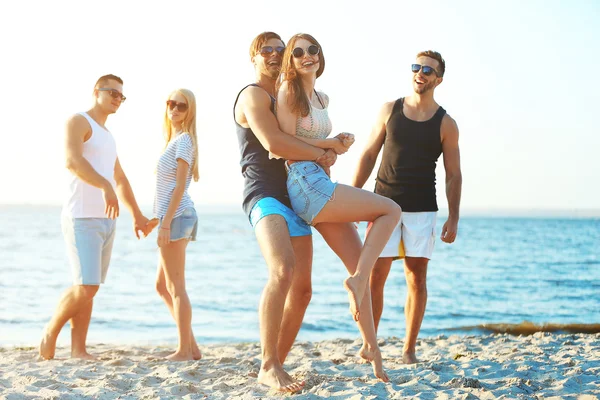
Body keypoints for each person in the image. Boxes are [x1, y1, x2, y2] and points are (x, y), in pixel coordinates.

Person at [275, 33, 402, 381]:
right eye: (297, 52)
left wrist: (333, 148)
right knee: (390, 210)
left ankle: (372, 353)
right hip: (304, 182)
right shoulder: (288, 90)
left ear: (320, 54)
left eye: (311, 49)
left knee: (357, 262)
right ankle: (360, 281)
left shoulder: (321, 96)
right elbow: (286, 145)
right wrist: (329, 145)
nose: (306, 56)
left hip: (319, 179)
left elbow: (312, 141)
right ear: (290, 60)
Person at [233, 32, 337, 392]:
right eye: (267, 50)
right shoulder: (252, 95)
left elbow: (301, 140)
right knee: (282, 270)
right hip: (263, 194)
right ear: (254, 57)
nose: (275, 55)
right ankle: (268, 364)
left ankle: (276, 360)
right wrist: (328, 146)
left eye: (282, 50)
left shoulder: (286, 97)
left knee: (304, 290)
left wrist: (325, 153)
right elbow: (275, 144)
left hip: (295, 195)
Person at [352, 50, 462, 364]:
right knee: (375, 276)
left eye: (428, 70)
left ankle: (409, 350)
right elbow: (369, 155)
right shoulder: (390, 110)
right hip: (382, 205)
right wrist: (352, 199)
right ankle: (369, 344)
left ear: (438, 79)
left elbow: (453, 175)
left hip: (422, 209)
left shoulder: (446, 123)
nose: (420, 73)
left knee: (416, 278)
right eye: (416, 67)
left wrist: (453, 217)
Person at [39, 74, 152, 360]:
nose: (117, 99)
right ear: (96, 92)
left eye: (121, 96)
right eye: (112, 93)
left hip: (107, 220)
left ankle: (79, 350)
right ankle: (50, 332)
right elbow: (72, 160)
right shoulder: (79, 121)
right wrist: (104, 186)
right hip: (81, 217)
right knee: (86, 285)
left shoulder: (108, 136)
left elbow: (121, 178)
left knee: (90, 287)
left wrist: (137, 216)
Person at [148, 89, 201, 361]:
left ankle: (183, 350)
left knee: (176, 286)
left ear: (189, 110)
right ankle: (191, 346)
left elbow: (180, 186)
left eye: (181, 106)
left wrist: (165, 223)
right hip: (174, 216)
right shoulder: (174, 140)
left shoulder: (184, 141)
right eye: (171, 104)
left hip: (178, 217)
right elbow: (166, 189)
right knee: (162, 286)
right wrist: (154, 221)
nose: (175, 109)